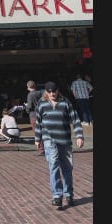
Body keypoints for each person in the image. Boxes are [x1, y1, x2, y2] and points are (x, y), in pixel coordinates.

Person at [34, 81, 84, 209]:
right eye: (49, 92)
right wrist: (37, 138)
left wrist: (79, 136)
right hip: (49, 139)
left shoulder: (65, 102)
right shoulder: (41, 104)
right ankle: (57, 196)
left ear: (58, 90)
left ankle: (69, 194)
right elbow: (38, 122)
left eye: (54, 91)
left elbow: (75, 119)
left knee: (67, 168)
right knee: (54, 165)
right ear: (46, 92)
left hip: (65, 139)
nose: (52, 94)